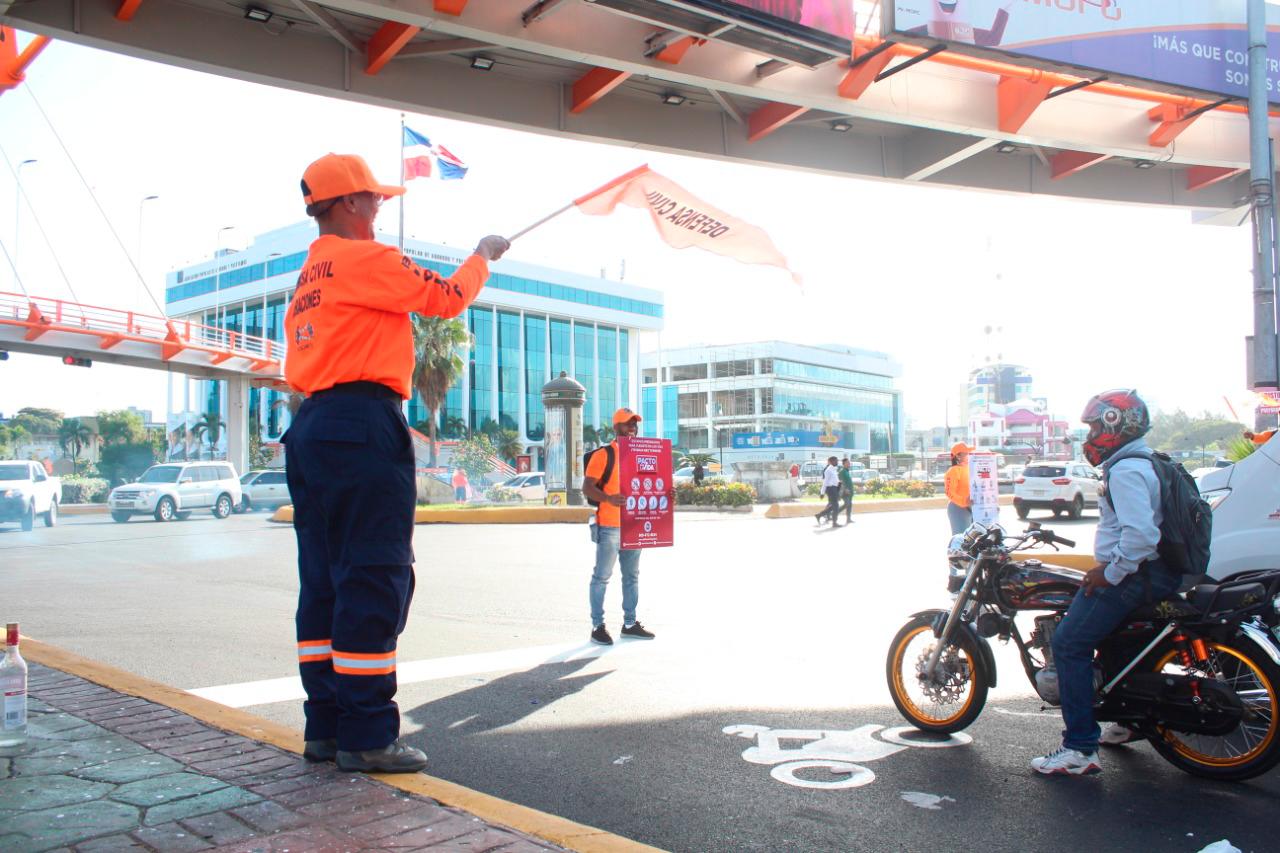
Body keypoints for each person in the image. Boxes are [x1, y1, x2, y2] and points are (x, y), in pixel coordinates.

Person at [284, 152, 509, 774]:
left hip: (310, 426)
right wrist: (483, 254)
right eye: (374, 198)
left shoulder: (310, 276)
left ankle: (325, 727)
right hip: (361, 422)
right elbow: (446, 298)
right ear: (349, 202)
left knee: (324, 580)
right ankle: (368, 734)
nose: (381, 207)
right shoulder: (368, 259)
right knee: (375, 571)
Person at [1030, 389, 1182, 777]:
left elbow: (1140, 536)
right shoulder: (1143, 459)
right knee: (1117, 640)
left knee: (1068, 642)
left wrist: (1110, 573)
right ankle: (1131, 720)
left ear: (1117, 425)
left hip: (1136, 574)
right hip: (1157, 571)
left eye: (1097, 425)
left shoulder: (1127, 469)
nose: (1092, 434)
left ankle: (1080, 747)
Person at [583, 408, 675, 645]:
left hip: (635, 524)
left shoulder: (644, 454)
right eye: (627, 424)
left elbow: (649, 484)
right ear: (616, 427)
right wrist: (608, 498)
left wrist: (666, 493)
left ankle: (630, 624)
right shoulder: (604, 455)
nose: (632, 427)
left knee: (631, 577)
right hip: (611, 525)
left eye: (634, 423)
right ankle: (597, 626)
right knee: (602, 576)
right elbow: (588, 487)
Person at [943, 443, 973, 535]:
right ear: (958, 456)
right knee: (961, 540)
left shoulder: (972, 468)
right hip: (959, 509)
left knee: (974, 542)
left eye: (969, 453)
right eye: (966, 453)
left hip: (973, 508)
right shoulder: (954, 471)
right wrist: (964, 501)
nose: (969, 455)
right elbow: (949, 492)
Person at [814, 455, 842, 528]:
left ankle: (819, 515)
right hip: (830, 489)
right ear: (832, 461)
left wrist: (839, 484)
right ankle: (834, 523)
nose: (837, 462)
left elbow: (835, 480)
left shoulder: (834, 469)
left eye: (837, 461)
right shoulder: (828, 470)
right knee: (836, 506)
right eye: (836, 461)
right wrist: (822, 493)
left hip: (834, 489)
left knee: (834, 506)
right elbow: (825, 482)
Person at [838, 457, 855, 525]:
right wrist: (845, 489)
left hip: (850, 492)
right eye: (848, 463)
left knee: (849, 505)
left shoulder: (847, 471)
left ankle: (848, 519)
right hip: (845, 492)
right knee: (847, 504)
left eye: (849, 463)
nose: (849, 464)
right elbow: (842, 482)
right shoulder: (842, 471)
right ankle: (835, 512)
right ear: (844, 464)